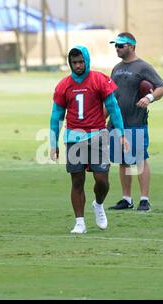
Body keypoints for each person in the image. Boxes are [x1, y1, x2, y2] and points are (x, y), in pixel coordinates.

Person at [50, 46, 127, 234]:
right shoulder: (63, 85)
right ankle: (79, 222)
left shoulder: (99, 79)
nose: (78, 66)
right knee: (77, 181)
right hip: (73, 138)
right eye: (74, 62)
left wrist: (121, 133)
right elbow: (56, 116)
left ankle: (98, 204)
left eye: (80, 62)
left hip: (97, 135)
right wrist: (53, 143)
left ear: (87, 61)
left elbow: (113, 108)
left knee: (102, 180)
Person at [107, 32, 163, 212]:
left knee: (140, 159)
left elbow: (162, 88)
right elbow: (111, 97)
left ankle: (144, 199)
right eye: (115, 45)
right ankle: (126, 198)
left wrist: (149, 97)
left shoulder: (143, 66)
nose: (117, 48)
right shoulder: (116, 68)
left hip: (136, 120)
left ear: (131, 46)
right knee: (123, 161)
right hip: (118, 123)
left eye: (121, 45)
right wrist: (103, 119)